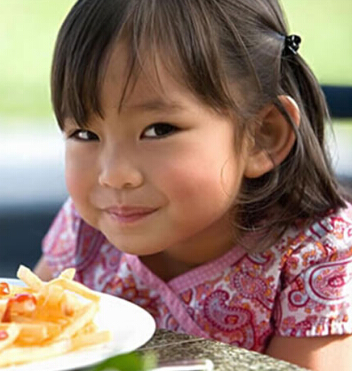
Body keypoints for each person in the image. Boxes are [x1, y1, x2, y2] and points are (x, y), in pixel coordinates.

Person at [33, 0, 352, 369]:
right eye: (85, 133)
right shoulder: (85, 228)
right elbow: (19, 336)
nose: (114, 175)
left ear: (262, 136)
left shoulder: (317, 253)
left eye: (158, 130)